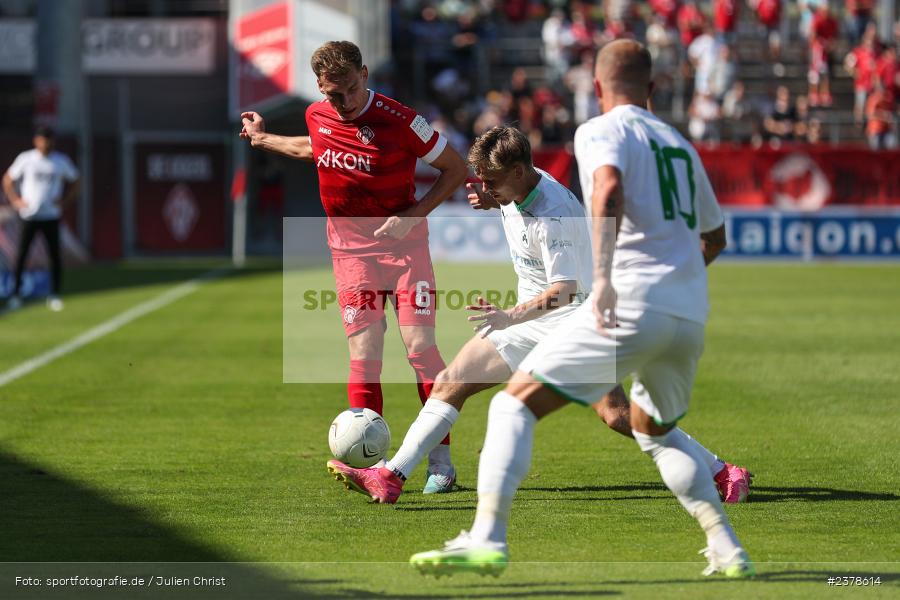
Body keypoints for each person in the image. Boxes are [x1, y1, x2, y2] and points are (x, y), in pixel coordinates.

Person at [410, 40, 754, 579]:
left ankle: (485, 540)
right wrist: (678, 286)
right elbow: (715, 238)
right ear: (655, 89)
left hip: (626, 299)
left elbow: (608, 188)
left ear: (596, 88)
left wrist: (607, 277)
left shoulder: (599, 130)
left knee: (511, 407)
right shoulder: (681, 145)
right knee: (649, 427)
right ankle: (727, 543)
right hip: (687, 310)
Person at [326, 125, 751, 505]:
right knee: (450, 384)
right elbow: (514, 209)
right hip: (530, 320)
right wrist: (496, 204)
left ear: (516, 172)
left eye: (492, 182)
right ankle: (390, 477)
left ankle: (723, 471)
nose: (486, 188)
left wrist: (510, 316)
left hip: (577, 320)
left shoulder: (555, 215)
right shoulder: (515, 186)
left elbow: (564, 291)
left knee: (618, 415)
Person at [239, 41, 468, 492]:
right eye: (330, 94)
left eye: (346, 90)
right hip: (350, 255)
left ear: (364, 74)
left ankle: (441, 461)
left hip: (405, 252)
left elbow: (456, 169)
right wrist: (264, 139)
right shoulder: (317, 114)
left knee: (420, 349)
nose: (339, 103)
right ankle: (372, 465)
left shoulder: (402, 120)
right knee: (365, 358)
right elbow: (316, 149)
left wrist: (412, 216)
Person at [2, 126, 79, 312]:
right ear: (37, 141)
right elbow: (7, 180)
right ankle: (16, 295)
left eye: (49, 139)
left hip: (51, 216)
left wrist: (64, 202)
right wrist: (16, 200)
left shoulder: (60, 161)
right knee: (21, 256)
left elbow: (76, 181)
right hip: (29, 216)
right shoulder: (26, 159)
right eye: (43, 139)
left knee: (54, 256)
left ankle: (55, 295)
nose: (46, 143)